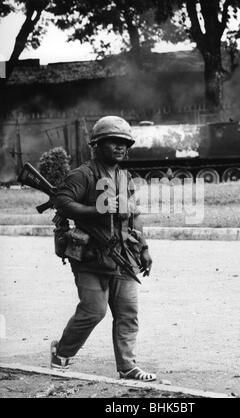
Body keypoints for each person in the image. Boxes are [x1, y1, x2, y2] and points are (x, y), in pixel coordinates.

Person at [50, 116, 156, 382]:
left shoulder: (123, 176)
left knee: (128, 313)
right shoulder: (82, 174)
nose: (120, 148)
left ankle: (128, 367)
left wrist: (143, 248)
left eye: (124, 143)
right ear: (98, 144)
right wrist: (96, 209)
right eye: (113, 142)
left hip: (123, 256)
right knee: (94, 311)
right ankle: (61, 352)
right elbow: (61, 202)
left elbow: (134, 215)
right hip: (90, 258)